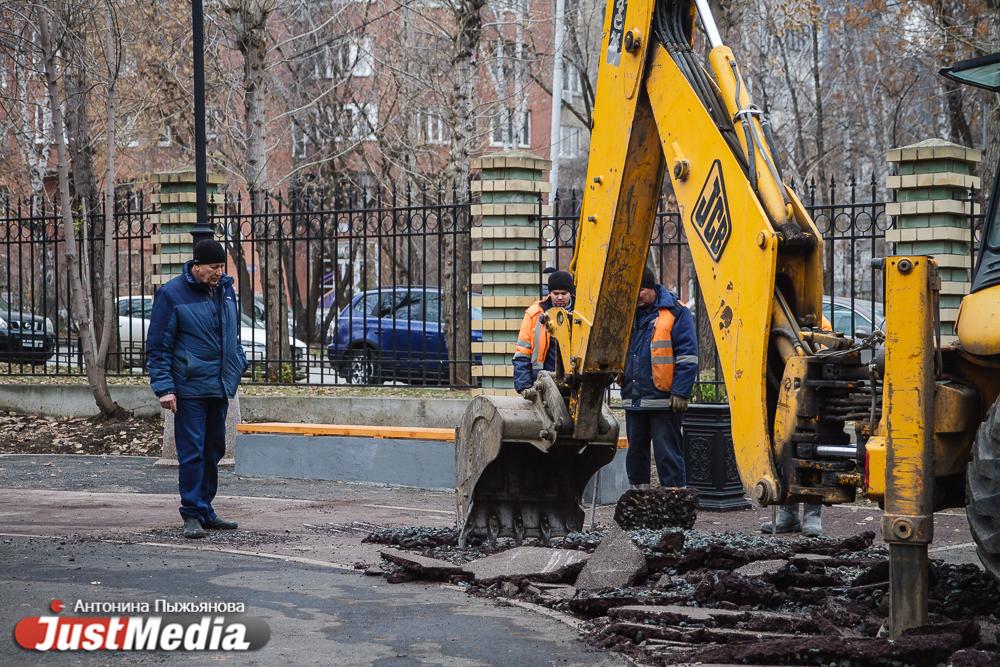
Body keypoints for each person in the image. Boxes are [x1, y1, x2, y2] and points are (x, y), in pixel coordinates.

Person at [146, 239, 248, 539]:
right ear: (197, 265)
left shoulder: (226, 290)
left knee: (214, 449)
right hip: (189, 388)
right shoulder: (172, 294)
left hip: (219, 385)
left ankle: (205, 509)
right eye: (213, 267)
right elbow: (158, 347)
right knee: (192, 452)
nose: (219, 272)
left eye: (221, 267)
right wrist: (164, 388)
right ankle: (191, 513)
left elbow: (232, 334)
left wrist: (238, 361)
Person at [621, 267, 699, 489]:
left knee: (668, 454)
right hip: (634, 397)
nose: (635, 295)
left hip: (663, 400)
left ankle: (674, 499)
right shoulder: (626, 312)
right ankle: (639, 499)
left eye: (640, 290)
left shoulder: (676, 312)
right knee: (636, 454)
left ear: (651, 288)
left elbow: (688, 356)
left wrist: (681, 391)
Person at [513, 270, 574, 393]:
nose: (560, 297)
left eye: (564, 293)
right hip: (544, 382)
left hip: (576, 381)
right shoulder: (534, 313)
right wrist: (524, 386)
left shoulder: (582, 313)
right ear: (549, 293)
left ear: (570, 293)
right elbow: (523, 352)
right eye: (555, 293)